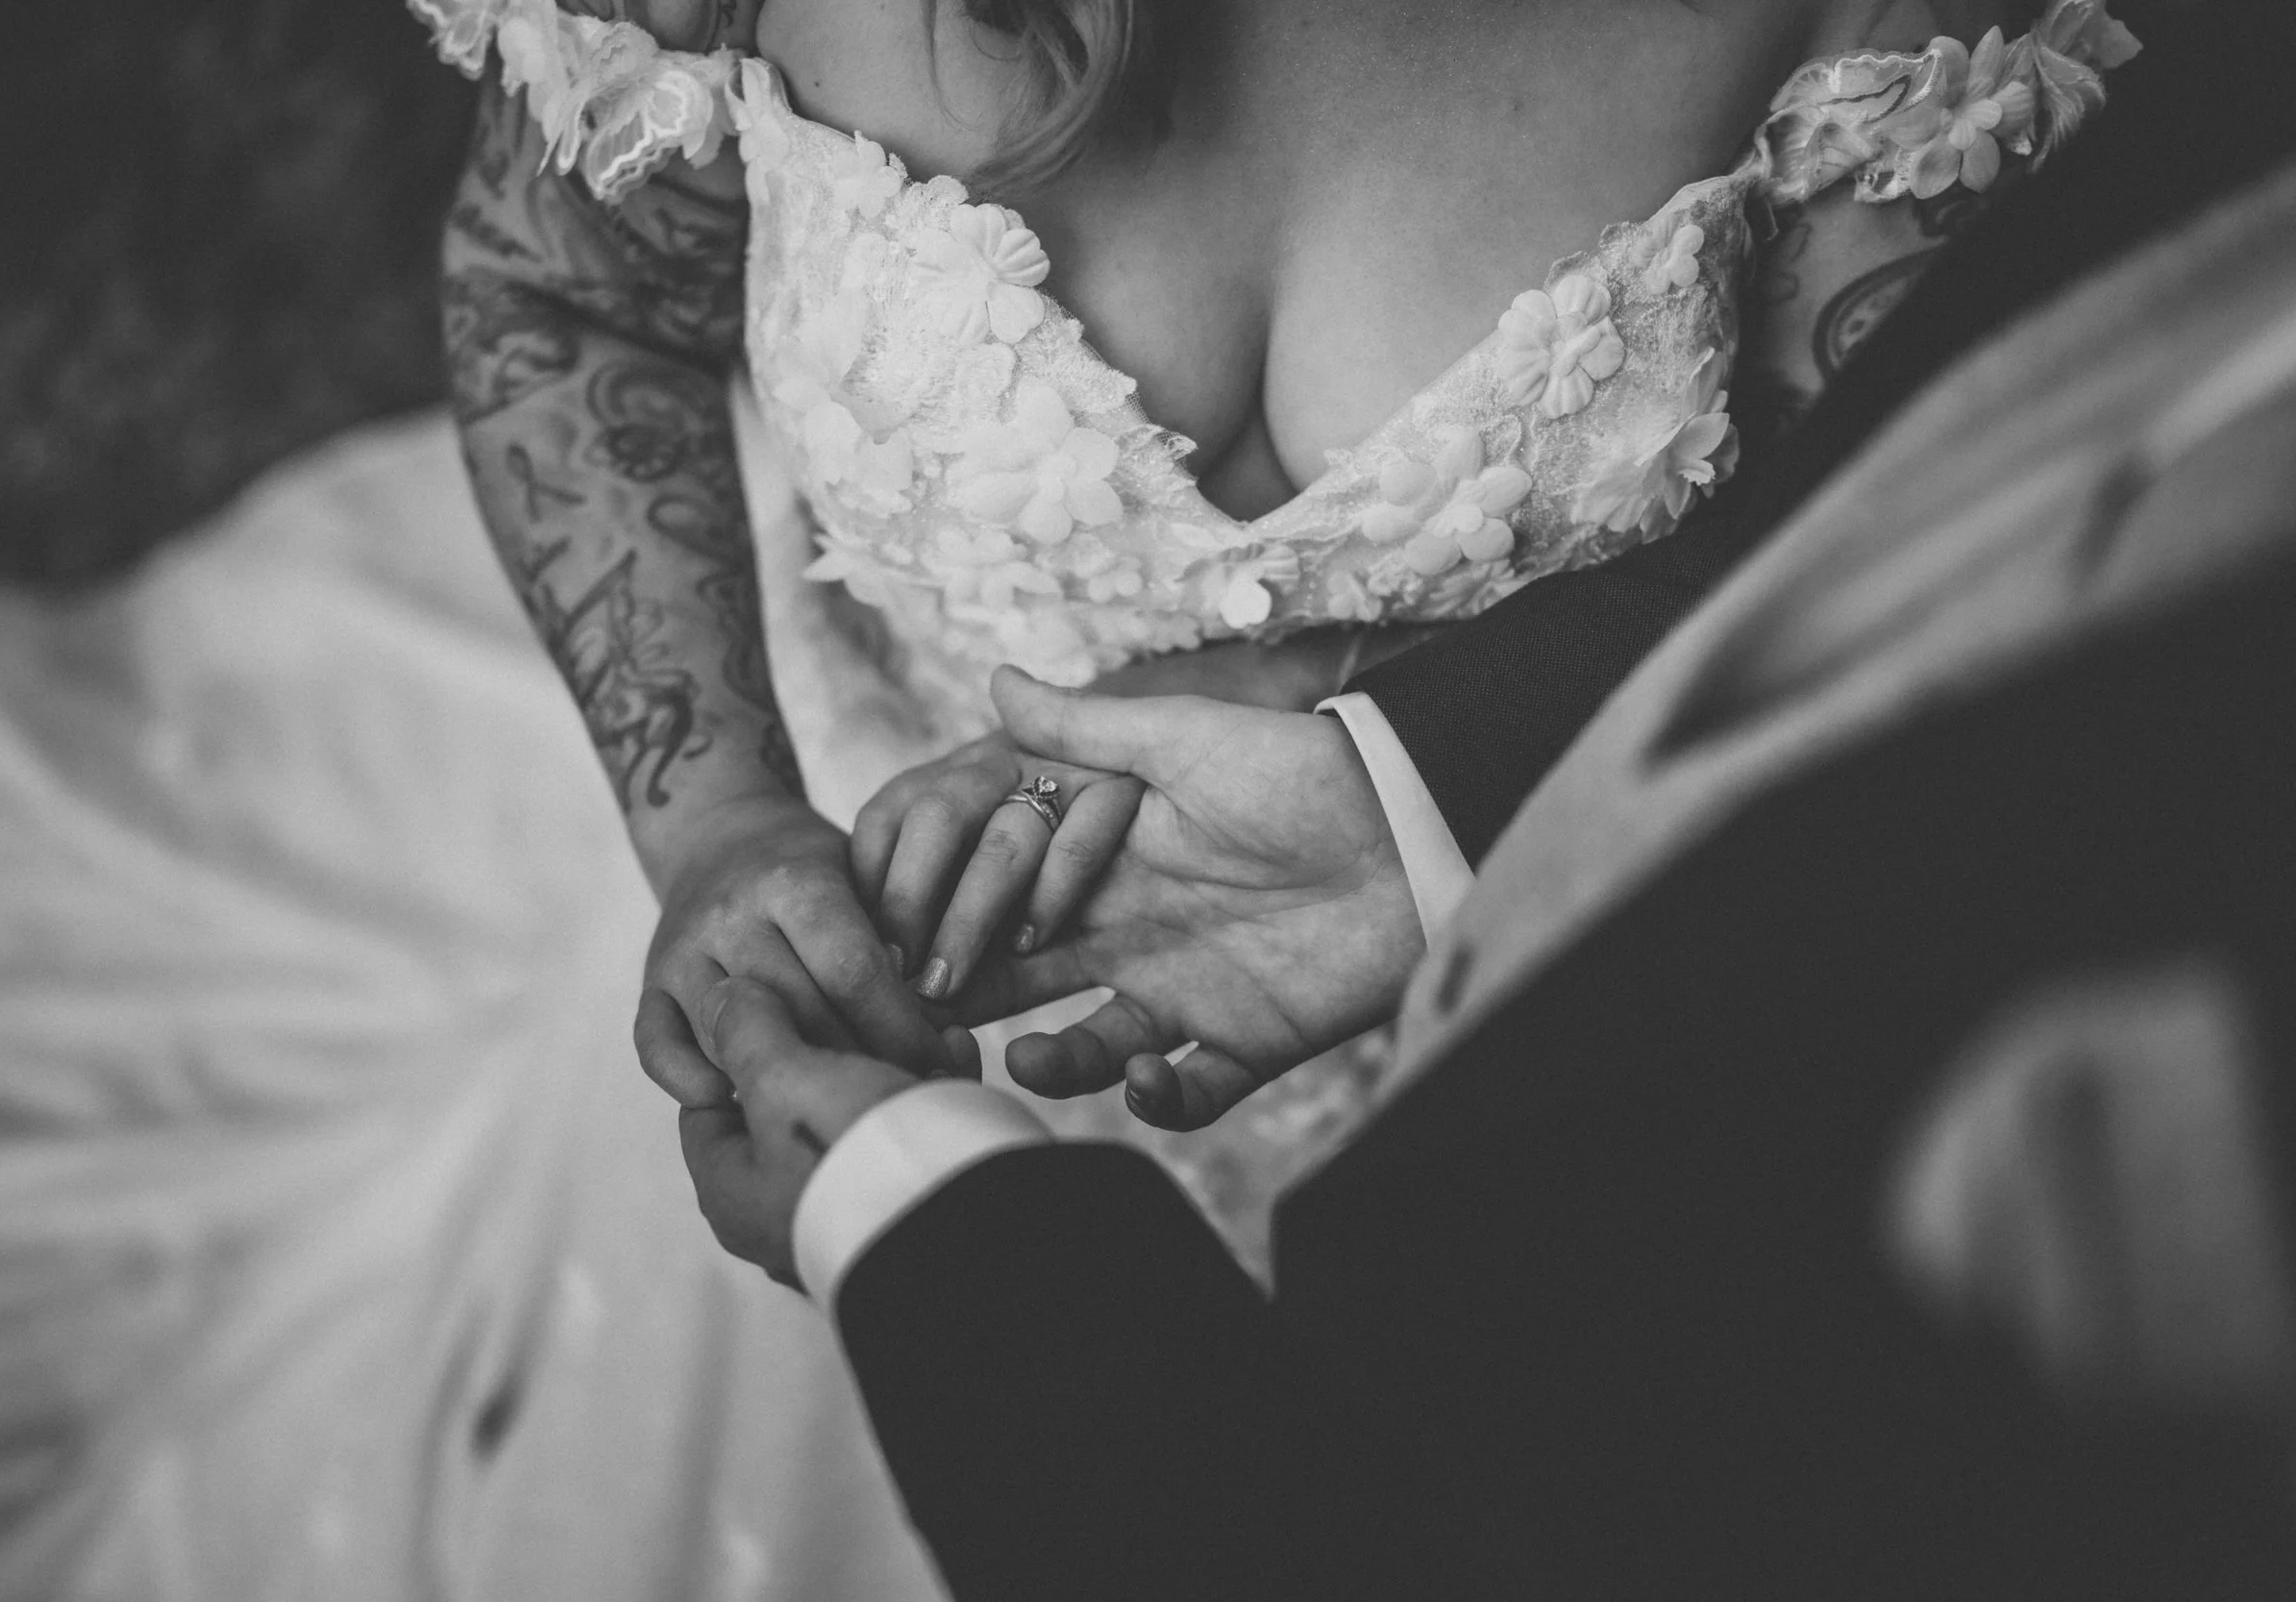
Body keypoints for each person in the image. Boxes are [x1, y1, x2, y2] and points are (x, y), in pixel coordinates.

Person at [648, 1, 2296, 1595]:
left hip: (1529, 1066)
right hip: (909, 857)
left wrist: (914, 1212)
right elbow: (564, 298)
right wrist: (716, 813)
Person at [420, 0, 2146, 1255]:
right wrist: (719, 822)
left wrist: (1385, 722)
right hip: (881, 898)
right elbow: (567, 296)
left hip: (1564, 965)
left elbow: (1902, 541)